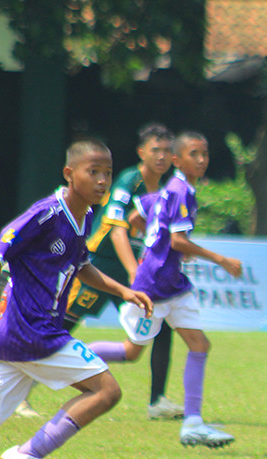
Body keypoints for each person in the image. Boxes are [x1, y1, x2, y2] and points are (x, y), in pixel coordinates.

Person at [0, 139, 153, 459]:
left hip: (16, 339)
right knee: (106, 391)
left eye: (108, 174)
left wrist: (124, 291)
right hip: (33, 333)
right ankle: (29, 454)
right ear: (70, 174)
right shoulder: (47, 213)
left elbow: (81, 267)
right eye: (93, 172)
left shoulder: (81, 216)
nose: (102, 180)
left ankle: (28, 454)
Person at [85, 132, 243, 448]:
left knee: (199, 344)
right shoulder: (181, 191)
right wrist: (221, 259)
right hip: (155, 286)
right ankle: (66, 353)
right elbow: (178, 240)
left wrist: (151, 240)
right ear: (178, 161)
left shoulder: (167, 191)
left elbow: (135, 217)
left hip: (172, 284)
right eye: (194, 154)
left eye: (205, 154)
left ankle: (193, 424)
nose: (201, 160)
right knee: (131, 353)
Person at [63, 123, 182, 421]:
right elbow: (117, 230)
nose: (162, 156)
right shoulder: (130, 180)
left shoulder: (165, 189)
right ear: (142, 152)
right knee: (60, 327)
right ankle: (20, 388)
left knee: (159, 325)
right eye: (156, 150)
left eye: (167, 151)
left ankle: (157, 402)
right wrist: (134, 273)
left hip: (129, 266)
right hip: (99, 262)